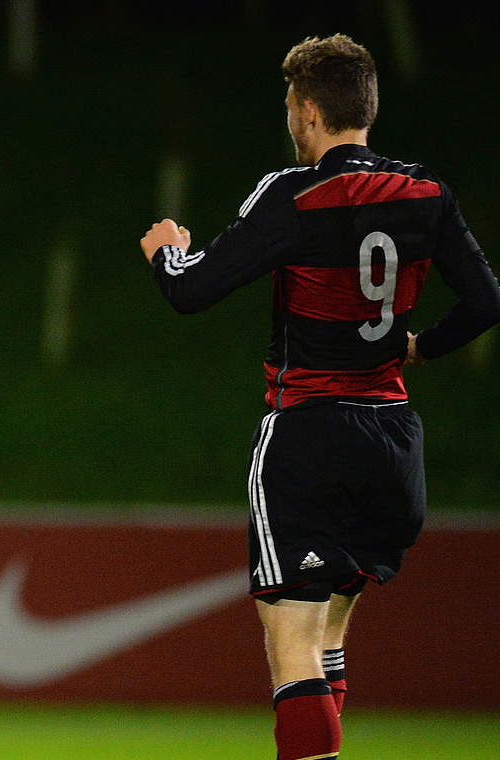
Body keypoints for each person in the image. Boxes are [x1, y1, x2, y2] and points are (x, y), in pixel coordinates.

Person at [139, 34, 500, 760]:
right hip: (394, 443)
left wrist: (165, 250)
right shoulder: (426, 193)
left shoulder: (293, 194)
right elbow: (486, 300)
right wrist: (421, 346)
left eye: (289, 107)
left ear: (307, 112)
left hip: (309, 436)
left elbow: (191, 289)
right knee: (330, 631)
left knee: (292, 644)